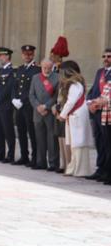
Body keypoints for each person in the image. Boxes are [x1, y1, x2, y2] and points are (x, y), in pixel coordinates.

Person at [57, 60, 95, 177]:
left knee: (78, 144)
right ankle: (73, 168)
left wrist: (62, 115)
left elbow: (71, 102)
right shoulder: (73, 84)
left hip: (77, 115)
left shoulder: (74, 84)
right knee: (74, 144)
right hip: (74, 115)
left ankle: (80, 170)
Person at [84, 48, 111, 181]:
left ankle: (107, 170)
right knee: (99, 141)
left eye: (109, 56)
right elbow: (93, 89)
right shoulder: (99, 72)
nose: (106, 59)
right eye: (104, 56)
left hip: (107, 112)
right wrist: (89, 102)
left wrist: (97, 103)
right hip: (96, 113)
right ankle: (100, 169)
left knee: (108, 143)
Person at [12, 45, 41, 166]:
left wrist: (22, 100)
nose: (27, 56)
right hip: (18, 106)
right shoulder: (19, 69)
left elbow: (32, 89)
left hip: (29, 105)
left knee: (32, 132)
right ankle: (24, 156)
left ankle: (35, 157)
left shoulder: (37, 70)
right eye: (25, 54)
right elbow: (15, 86)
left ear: (33, 55)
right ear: (22, 55)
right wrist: (14, 98)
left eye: (29, 54)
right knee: (21, 131)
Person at [29, 59, 59, 171]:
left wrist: (46, 106)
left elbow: (56, 96)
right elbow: (31, 95)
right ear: (41, 67)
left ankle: (53, 163)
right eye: (44, 67)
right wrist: (38, 107)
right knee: (39, 138)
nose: (46, 70)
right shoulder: (35, 77)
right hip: (37, 112)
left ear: (52, 67)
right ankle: (41, 162)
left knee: (52, 139)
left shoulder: (57, 78)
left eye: (49, 68)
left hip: (50, 112)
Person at [50, 36, 70, 172]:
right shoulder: (53, 68)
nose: (51, 56)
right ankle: (59, 163)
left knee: (63, 137)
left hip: (61, 106)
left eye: (53, 53)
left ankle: (66, 163)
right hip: (54, 105)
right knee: (57, 136)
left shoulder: (63, 69)